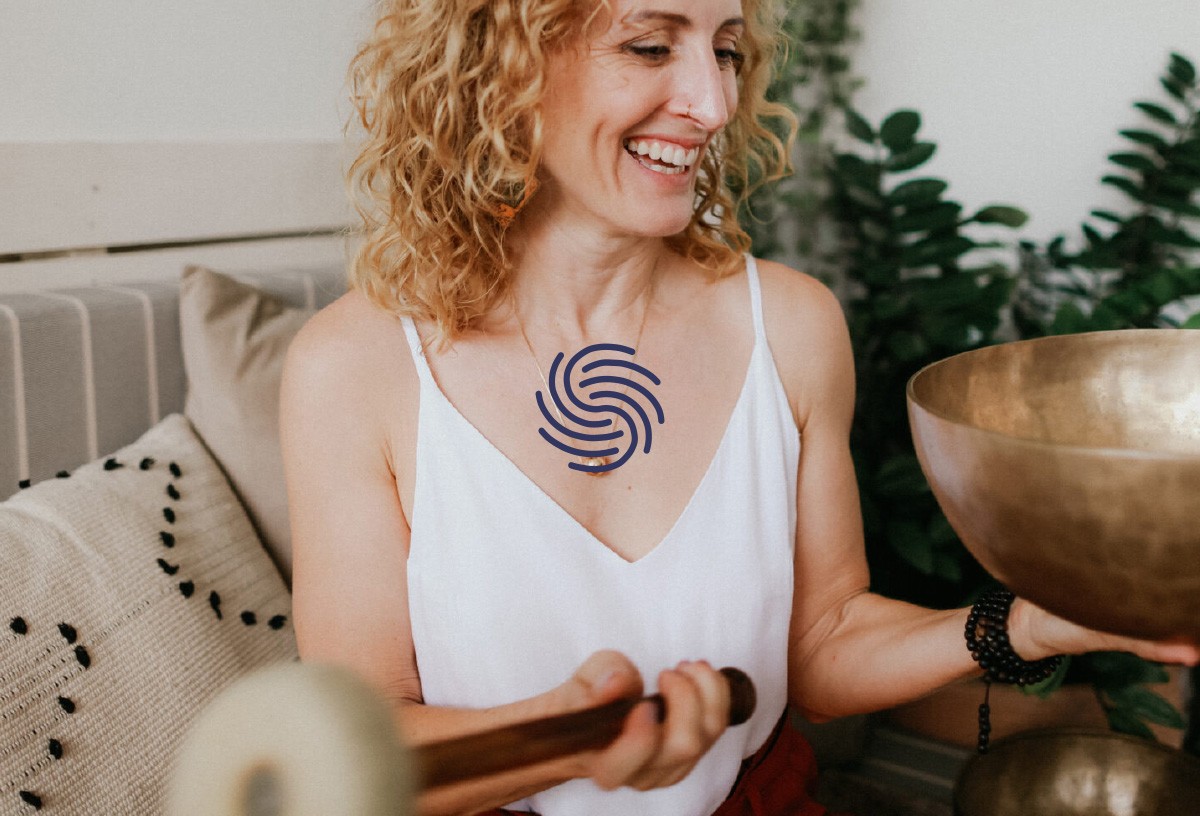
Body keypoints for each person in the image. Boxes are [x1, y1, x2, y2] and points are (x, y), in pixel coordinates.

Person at [278, 1, 1200, 814]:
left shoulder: (792, 327)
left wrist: (1021, 626)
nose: (714, 104)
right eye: (649, 46)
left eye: (724, 50)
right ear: (501, 65)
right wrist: (567, 741)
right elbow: (358, 750)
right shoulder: (353, 368)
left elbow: (822, 646)